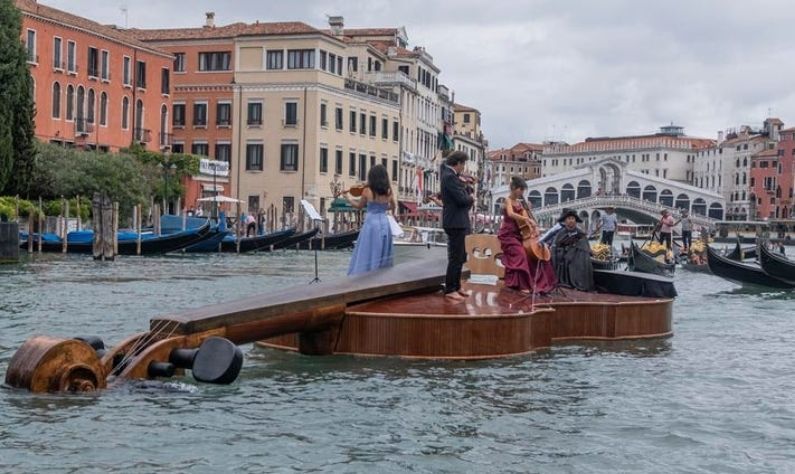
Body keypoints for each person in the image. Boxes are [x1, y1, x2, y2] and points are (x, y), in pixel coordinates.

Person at [497, 177, 556, 294]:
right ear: (514, 188)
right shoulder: (507, 200)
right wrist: (526, 218)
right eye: (521, 189)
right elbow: (510, 213)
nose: (522, 192)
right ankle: (521, 284)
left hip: (519, 234)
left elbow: (525, 220)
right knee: (521, 255)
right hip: (508, 234)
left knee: (531, 256)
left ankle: (534, 282)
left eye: (523, 190)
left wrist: (533, 225)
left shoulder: (520, 203)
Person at [345, 164, 396, 275]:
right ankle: (381, 276)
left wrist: (348, 198)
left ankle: (364, 274)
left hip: (371, 224)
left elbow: (359, 206)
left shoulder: (367, 190)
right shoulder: (388, 191)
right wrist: (383, 208)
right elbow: (393, 206)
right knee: (382, 252)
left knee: (368, 250)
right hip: (384, 223)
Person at [440, 151, 474, 302]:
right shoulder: (450, 177)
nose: (464, 167)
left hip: (458, 221)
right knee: (455, 257)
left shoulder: (451, 177)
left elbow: (461, 195)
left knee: (460, 256)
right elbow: (462, 200)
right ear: (458, 163)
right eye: (463, 164)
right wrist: (471, 198)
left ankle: (457, 286)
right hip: (455, 221)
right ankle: (450, 289)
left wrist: (464, 185)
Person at [552, 209, 594, 292]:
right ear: (565, 221)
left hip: (578, 259)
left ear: (575, 221)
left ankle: (579, 281)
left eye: (572, 218)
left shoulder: (580, 234)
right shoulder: (560, 234)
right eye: (569, 219)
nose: (571, 221)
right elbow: (555, 247)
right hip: (564, 258)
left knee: (581, 257)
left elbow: (585, 248)